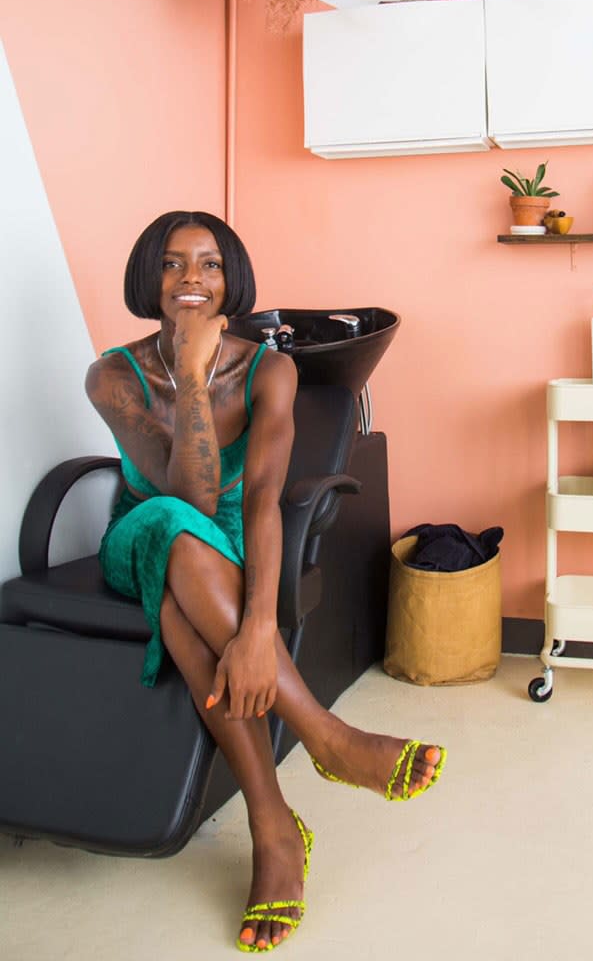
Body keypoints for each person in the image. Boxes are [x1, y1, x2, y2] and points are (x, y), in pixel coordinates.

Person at [86, 211, 445, 953]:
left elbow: (261, 499)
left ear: (232, 279)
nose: (192, 279)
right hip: (142, 536)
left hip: (232, 549)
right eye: (173, 265)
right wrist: (187, 376)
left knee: (191, 621)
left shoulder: (271, 369)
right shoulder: (112, 376)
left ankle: (274, 828)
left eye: (210, 265)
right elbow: (183, 498)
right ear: (148, 278)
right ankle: (328, 736)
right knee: (174, 533)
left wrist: (256, 631)